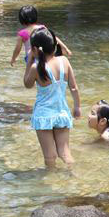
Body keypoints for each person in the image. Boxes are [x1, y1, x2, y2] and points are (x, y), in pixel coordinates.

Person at [24, 28, 81, 169]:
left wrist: (29, 61)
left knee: (50, 156)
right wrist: (77, 107)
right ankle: (73, 175)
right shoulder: (64, 61)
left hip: (43, 116)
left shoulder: (36, 67)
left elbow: (27, 84)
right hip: (61, 113)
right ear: (55, 45)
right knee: (65, 153)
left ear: (35, 49)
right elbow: (74, 88)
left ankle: (52, 183)